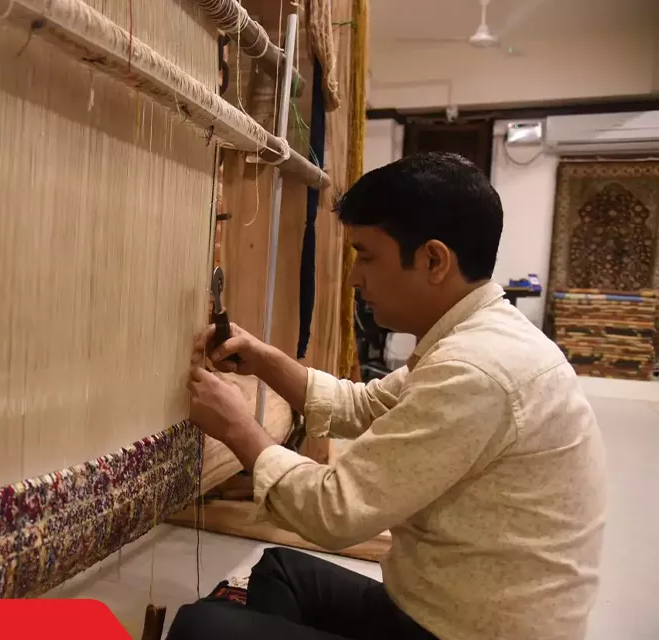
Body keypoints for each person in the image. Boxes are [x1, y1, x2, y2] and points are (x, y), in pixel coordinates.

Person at [170, 152, 606, 640]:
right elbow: (364, 406)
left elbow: (335, 512)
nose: (355, 278)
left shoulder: (475, 370)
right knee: (278, 571)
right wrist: (263, 358)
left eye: (367, 256)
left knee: (200, 627)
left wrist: (237, 428)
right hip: (438, 609)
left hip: (464, 633)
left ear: (434, 260)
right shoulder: (478, 336)